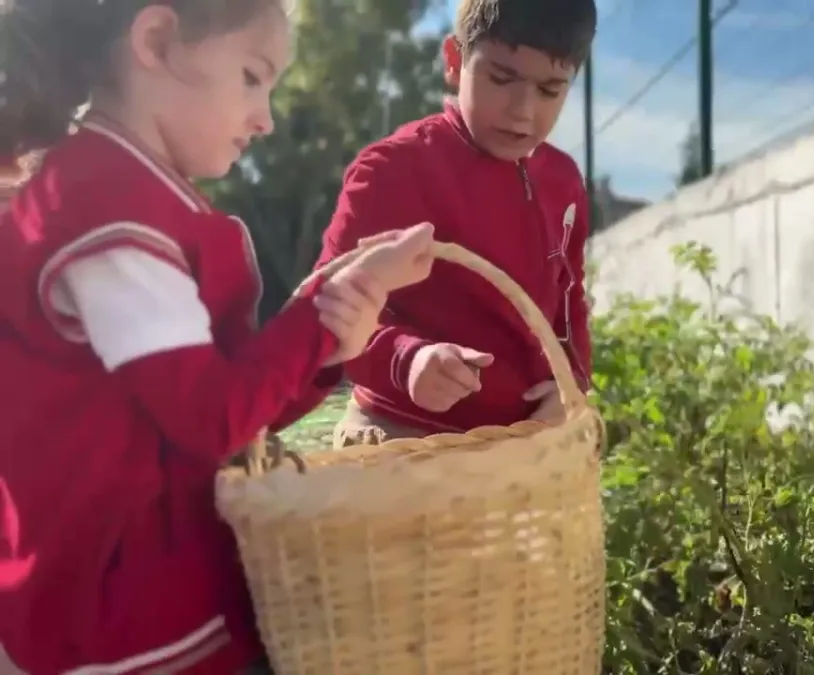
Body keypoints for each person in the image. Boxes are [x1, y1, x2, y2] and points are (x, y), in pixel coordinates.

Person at [0, 0, 436, 673]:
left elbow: (228, 408)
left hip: (158, 603)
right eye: (252, 76)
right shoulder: (108, 211)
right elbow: (214, 419)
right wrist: (316, 318)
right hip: (128, 625)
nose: (265, 117)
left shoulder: (128, 197)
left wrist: (323, 335)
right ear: (159, 38)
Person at [319, 0, 597, 444]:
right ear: (454, 60)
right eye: (502, 79)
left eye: (550, 89)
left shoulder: (563, 181)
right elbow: (325, 309)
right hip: (403, 442)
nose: (522, 111)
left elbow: (569, 299)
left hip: (525, 446)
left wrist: (572, 386)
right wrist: (407, 361)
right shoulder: (393, 169)